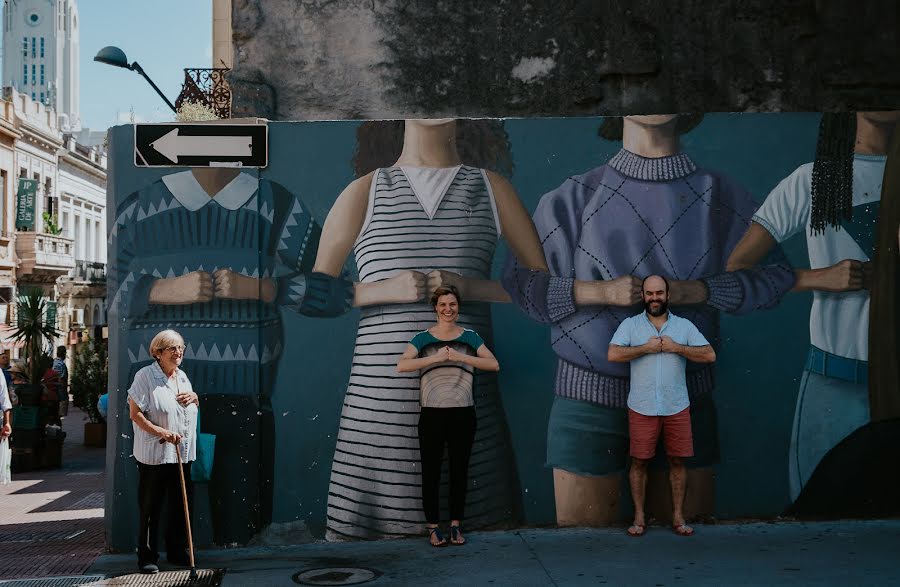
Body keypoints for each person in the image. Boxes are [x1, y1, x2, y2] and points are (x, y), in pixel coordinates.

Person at [502, 115, 794, 527]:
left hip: (685, 400)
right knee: (584, 559)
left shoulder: (722, 194)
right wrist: (600, 292)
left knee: (685, 559)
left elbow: (775, 276)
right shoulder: (573, 197)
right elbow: (522, 286)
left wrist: (699, 291)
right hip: (588, 407)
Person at [317, 119, 547, 540]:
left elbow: (543, 290)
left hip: (469, 411)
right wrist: (384, 289)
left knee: (486, 553)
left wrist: (468, 286)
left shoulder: (491, 189)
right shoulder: (365, 191)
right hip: (376, 421)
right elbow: (314, 294)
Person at [109, 167, 353, 545]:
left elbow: (339, 289)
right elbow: (107, 292)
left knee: (244, 532)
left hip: (246, 401)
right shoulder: (140, 208)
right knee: (165, 527)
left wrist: (265, 288)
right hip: (160, 402)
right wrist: (162, 289)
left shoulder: (273, 204)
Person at [727, 111, 900, 509]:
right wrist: (819, 277)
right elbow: (736, 270)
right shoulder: (812, 179)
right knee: (821, 522)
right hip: (834, 384)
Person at [608, 275, 716, 537]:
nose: (654, 298)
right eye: (649, 293)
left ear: (667, 295)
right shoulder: (631, 325)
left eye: (659, 293)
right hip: (642, 405)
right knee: (639, 462)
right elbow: (613, 354)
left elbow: (709, 354)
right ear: (643, 296)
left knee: (677, 461)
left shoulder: (684, 326)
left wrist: (677, 348)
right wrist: (645, 348)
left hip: (676, 404)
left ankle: (678, 517)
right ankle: (639, 517)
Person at [396, 285, 500, 547]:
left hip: (463, 413)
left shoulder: (470, 337)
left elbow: (493, 364)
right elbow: (402, 365)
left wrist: (459, 356)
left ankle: (455, 526)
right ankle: (433, 528)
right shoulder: (422, 338)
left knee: (459, 471)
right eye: (443, 304)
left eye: (452, 304)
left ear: (458, 307)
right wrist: (433, 359)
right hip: (431, 415)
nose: (448, 309)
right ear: (435, 308)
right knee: (430, 473)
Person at [127, 329, 199, 574]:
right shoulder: (145, 376)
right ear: (158, 353)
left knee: (181, 505)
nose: (178, 352)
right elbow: (135, 414)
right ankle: (146, 555)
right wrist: (162, 432)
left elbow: (188, 407)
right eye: (172, 348)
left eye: (180, 348)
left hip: (183, 453)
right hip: (155, 455)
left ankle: (177, 550)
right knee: (151, 506)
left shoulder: (182, 377)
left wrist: (196, 397)